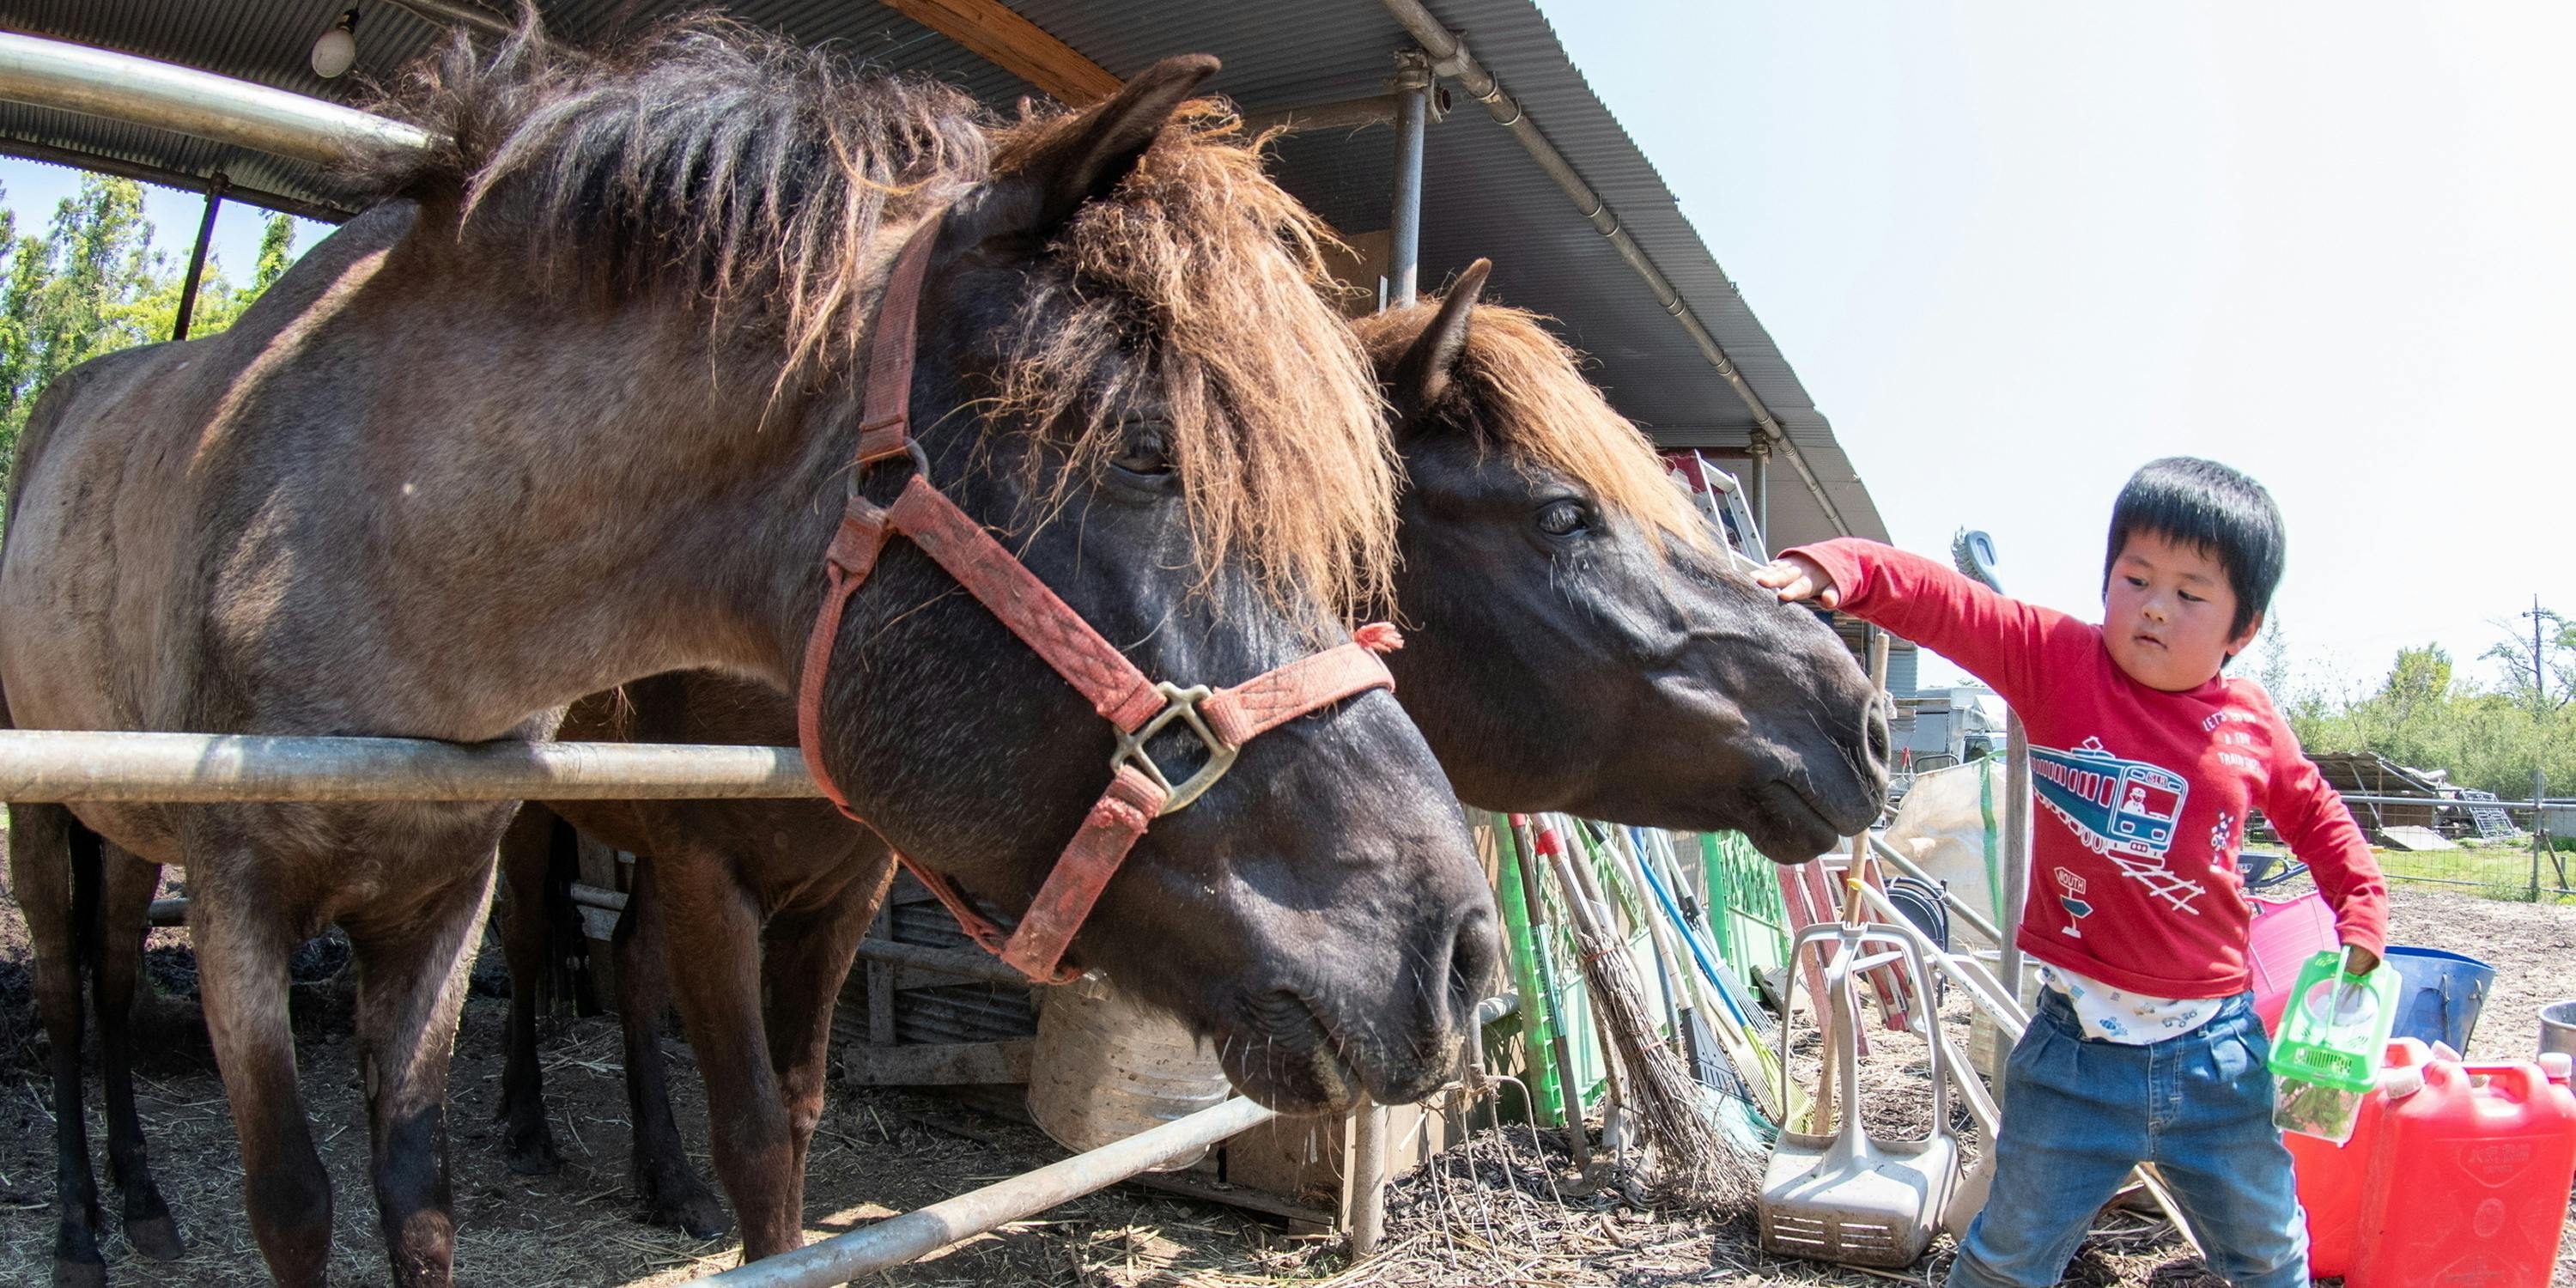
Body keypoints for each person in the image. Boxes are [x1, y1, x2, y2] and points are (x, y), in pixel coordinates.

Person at [1756, 456, 2387, 1288]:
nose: (2156, 606)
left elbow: (2320, 818)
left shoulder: (2251, 725)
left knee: (2270, 1257)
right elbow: (1946, 603)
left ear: (2244, 628)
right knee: (2006, 1262)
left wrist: (2364, 912)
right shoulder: (2058, 662)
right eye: (2136, 578)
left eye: (2191, 593)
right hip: (2074, 1061)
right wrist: (1839, 567)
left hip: (2218, 1061)